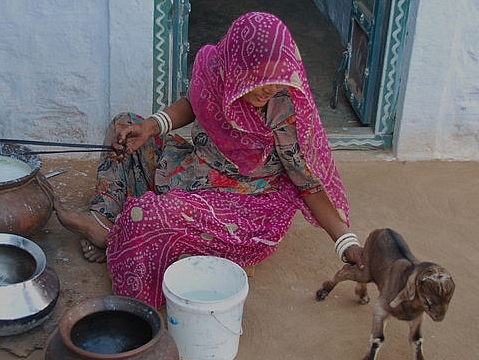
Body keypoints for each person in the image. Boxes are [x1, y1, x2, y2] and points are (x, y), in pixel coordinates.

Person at [54, 12, 364, 308]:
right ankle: (101, 217)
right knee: (124, 128)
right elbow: (193, 102)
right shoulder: (217, 68)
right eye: (257, 76)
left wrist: (345, 242)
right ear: (236, 65)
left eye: (274, 78)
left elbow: (307, 184)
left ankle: (114, 237)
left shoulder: (282, 109)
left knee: (151, 214)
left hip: (242, 210)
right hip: (194, 169)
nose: (267, 87)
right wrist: (149, 127)